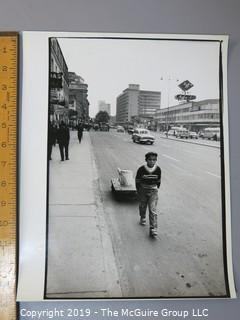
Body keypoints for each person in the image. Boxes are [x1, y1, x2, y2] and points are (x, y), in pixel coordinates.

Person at [135, 152, 161, 238]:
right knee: (142, 206)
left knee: (152, 210)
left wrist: (155, 188)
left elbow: (158, 181)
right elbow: (137, 181)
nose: (152, 162)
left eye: (154, 160)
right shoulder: (141, 169)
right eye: (150, 159)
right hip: (143, 190)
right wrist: (138, 190)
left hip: (153, 191)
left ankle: (153, 229)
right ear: (146, 160)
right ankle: (142, 217)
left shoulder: (158, 169)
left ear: (156, 161)